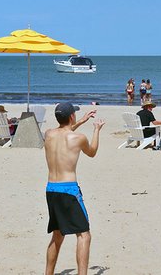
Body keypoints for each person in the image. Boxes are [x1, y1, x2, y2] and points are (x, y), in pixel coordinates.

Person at [44, 102, 104, 275]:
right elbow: (92, 152)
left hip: (51, 189)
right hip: (69, 190)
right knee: (84, 235)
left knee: (57, 235)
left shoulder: (48, 134)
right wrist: (96, 130)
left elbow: (63, 132)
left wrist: (81, 122)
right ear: (71, 116)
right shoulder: (79, 138)